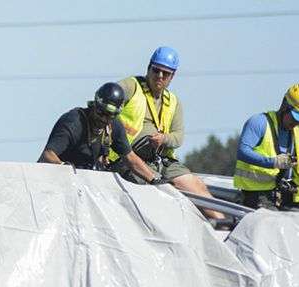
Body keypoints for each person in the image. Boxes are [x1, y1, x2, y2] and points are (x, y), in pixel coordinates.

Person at [113, 46, 225, 219]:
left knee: (195, 185)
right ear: (148, 68)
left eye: (165, 73)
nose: (159, 76)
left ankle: (222, 225)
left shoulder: (173, 102)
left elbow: (178, 137)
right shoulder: (132, 86)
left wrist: (164, 139)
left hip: (161, 159)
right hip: (130, 159)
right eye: (156, 70)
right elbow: (106, 99)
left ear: (172, 76)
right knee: (163, 191)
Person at [38, 82, 151, 177]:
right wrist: (65, 168)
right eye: (100, 112)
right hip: (57, 179)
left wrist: (154, 180)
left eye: (109, 115)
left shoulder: (114, 126)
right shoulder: (74, 122)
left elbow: (130, 158)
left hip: (87, 182)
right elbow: (47, 155)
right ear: (94, 105)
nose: (103, 118)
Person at [234, 84, 299, 210]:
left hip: (288, 195)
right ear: (284, 106)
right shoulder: (259, 122)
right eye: (294, 117)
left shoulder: (296, 131)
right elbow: (242, 151)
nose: (296, 123)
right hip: (259, 195)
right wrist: (272, 162)